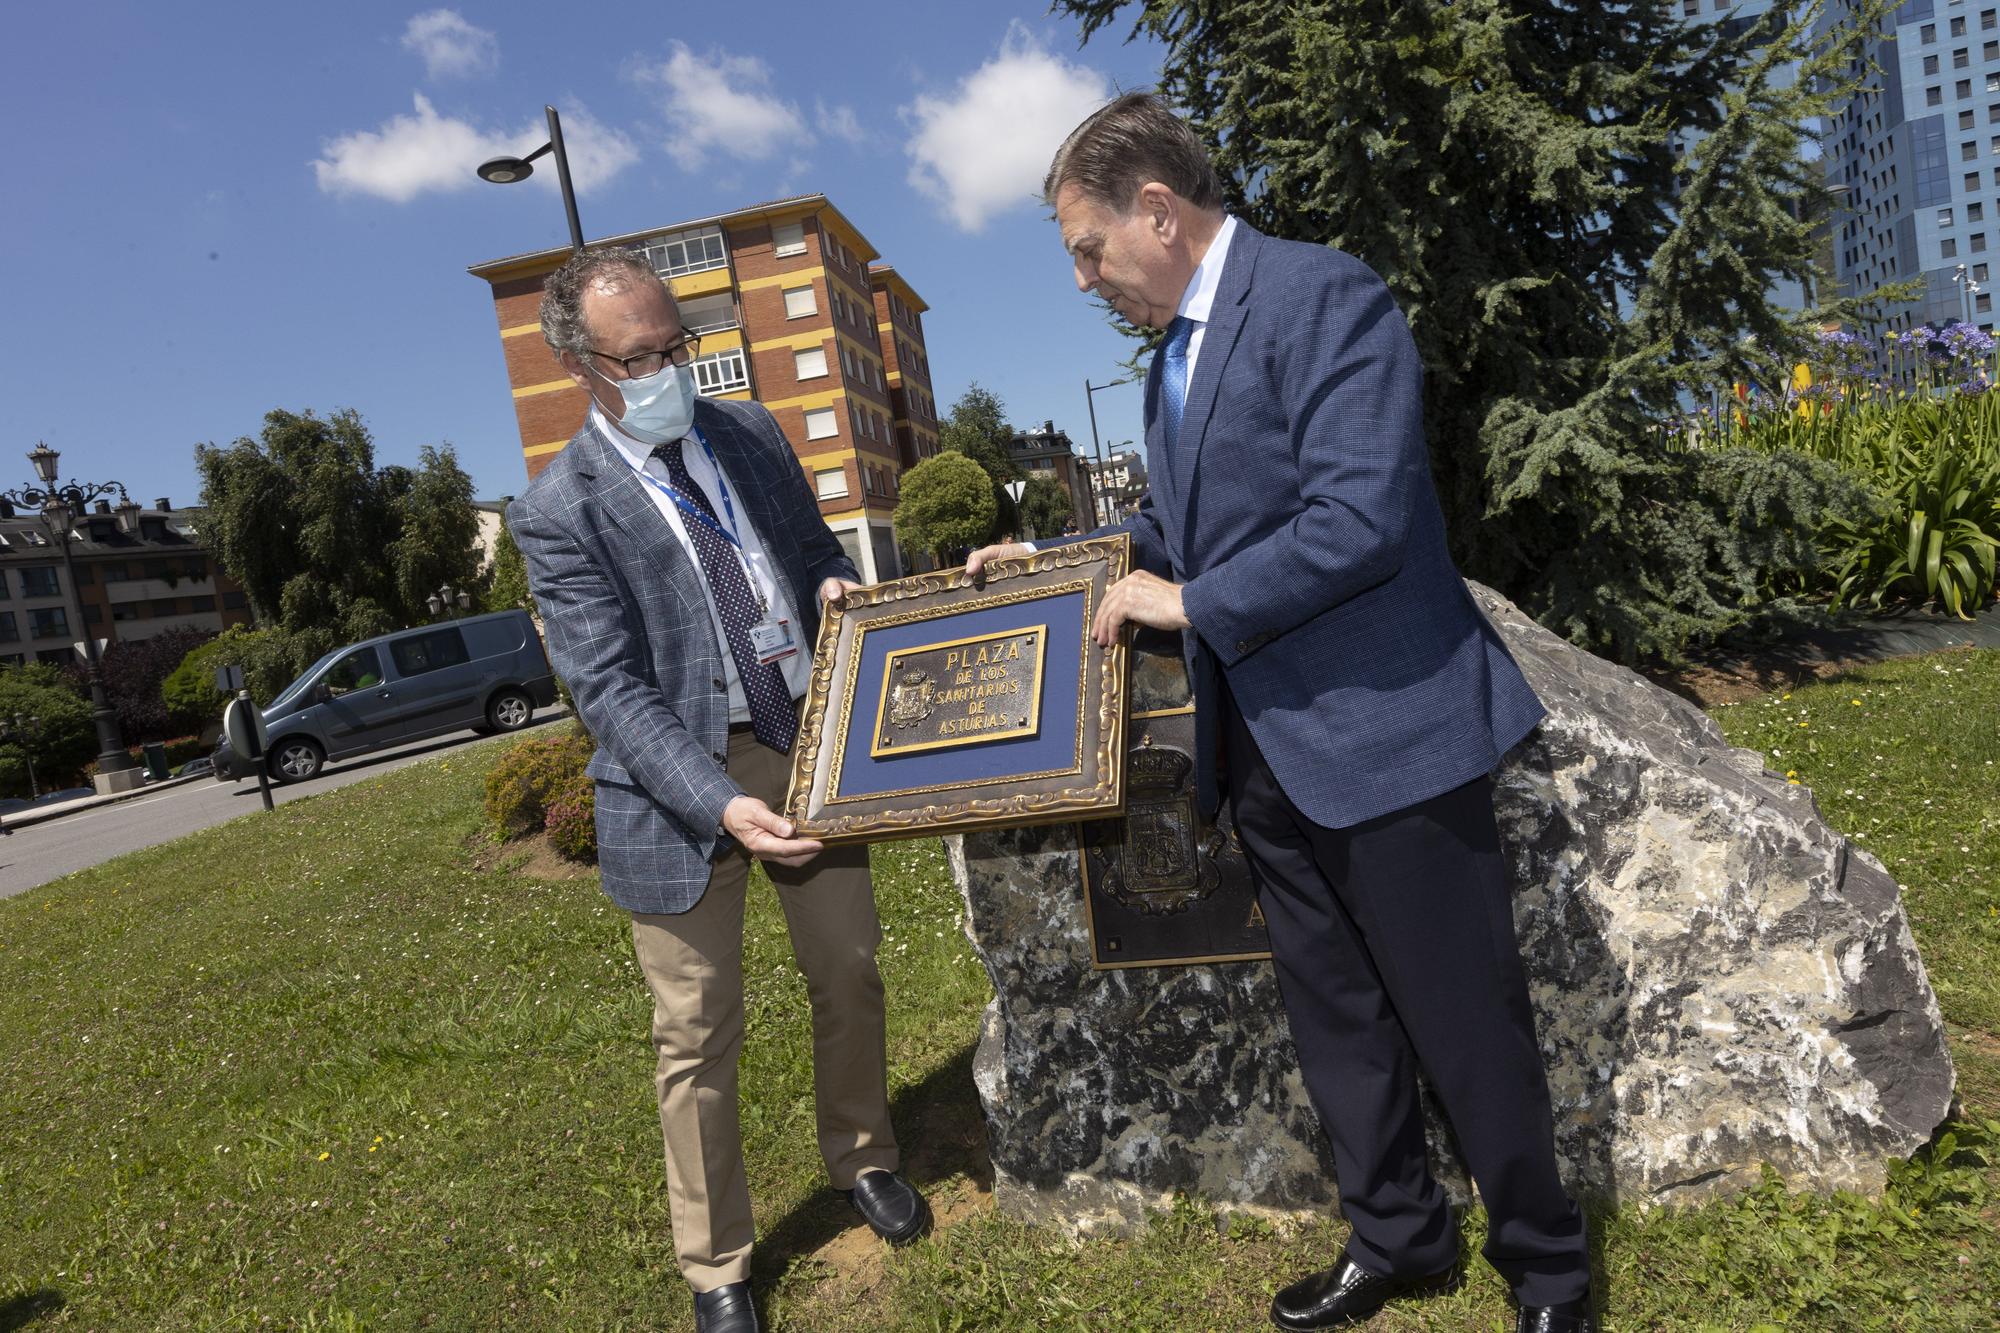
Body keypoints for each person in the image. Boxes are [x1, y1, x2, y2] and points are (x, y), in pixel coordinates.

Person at [967, 93, 1595, 1333]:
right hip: (1260, 745)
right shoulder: (1172, 363)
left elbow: (1359, 520)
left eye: (1087, 247)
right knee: (1334, 1014)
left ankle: (1550, 1274)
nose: (1087, 277)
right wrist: (1053, 560)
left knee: (1465, 1017)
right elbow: (1172, 535)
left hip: (1387, 731)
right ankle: (1399, 1236)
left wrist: (1188, 596)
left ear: (1155, 209)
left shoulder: (1322, 297)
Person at [510, 247, 928, 1333]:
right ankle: (717, 1265)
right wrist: (719, 799)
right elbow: (607, 688)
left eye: (676, 347)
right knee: (695, 1028)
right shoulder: (560, 510)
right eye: (637, 357)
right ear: (580, 365)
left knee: (847, 967)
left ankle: (862, 1155)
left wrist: (832, 581)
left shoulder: (750, 435)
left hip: (800, 738)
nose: (664, 371)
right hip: (672, 783)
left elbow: (807, 547)